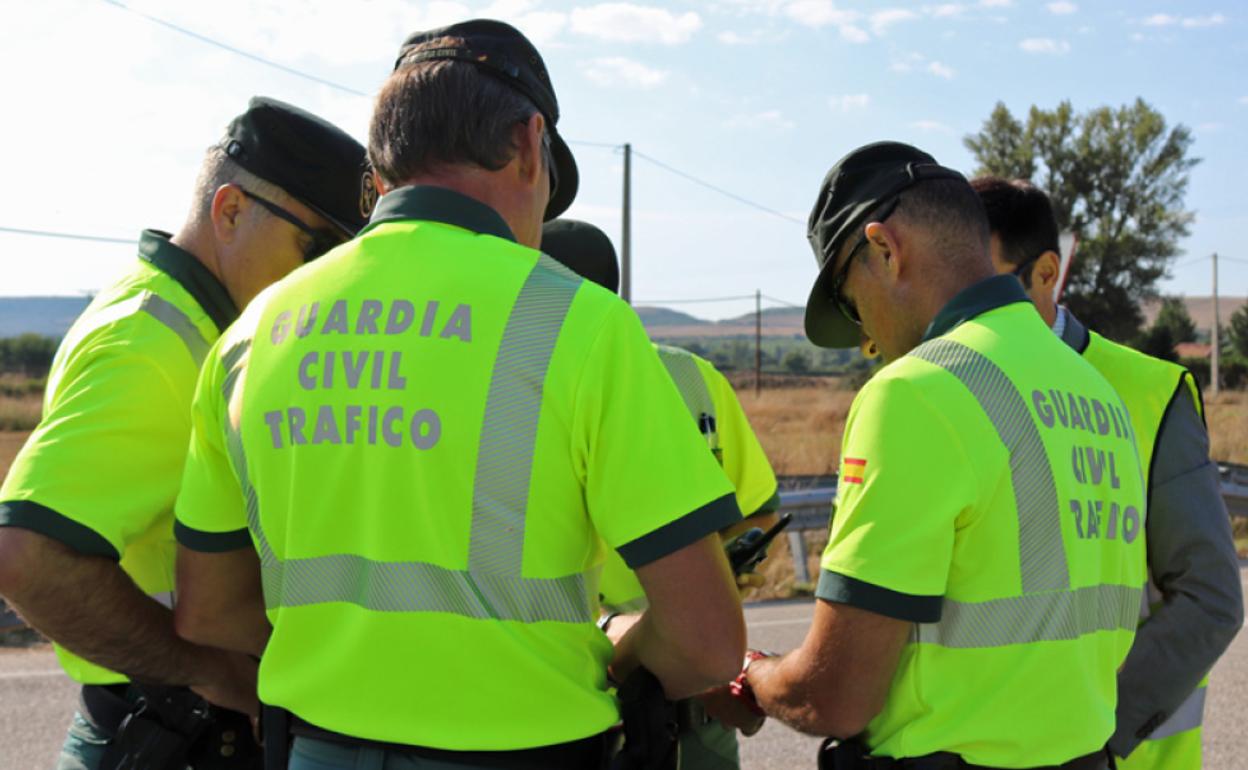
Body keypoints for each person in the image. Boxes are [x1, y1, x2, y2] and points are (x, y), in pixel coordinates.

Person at [170, 20, 745, 770]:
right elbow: (707, 641)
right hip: (528, 749)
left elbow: (210, 611)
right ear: (531, 145)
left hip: (313, 748)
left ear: (379, 172)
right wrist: (620, 653)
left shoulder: (252, 335)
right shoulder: (580, 322)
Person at [710, 141, 1148, 770]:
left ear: (885, 250)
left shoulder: (916, 392)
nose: (863, 340)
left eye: (848, 302)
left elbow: (836, 696)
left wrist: (751, 677)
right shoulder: (1097, 394)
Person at [0, 97, 370, 769]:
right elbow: (28, 556)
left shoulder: (191, 322)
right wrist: (203, 668)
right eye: (318, 247)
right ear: (229, 210)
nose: (329, 277)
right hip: (174, 732)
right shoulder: (153, 344)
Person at [972, 176, 1244, 769]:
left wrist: (1089, 742)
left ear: (1047, 274)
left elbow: (1210, 599)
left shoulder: (1150, 392)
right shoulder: (946, 389)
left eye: (981, 285)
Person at [542, 218, 780, 770]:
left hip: (629, 687)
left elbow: (756, 518)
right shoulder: (693, 378)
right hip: (656, 691)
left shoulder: (534, 388)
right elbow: (758, 514)